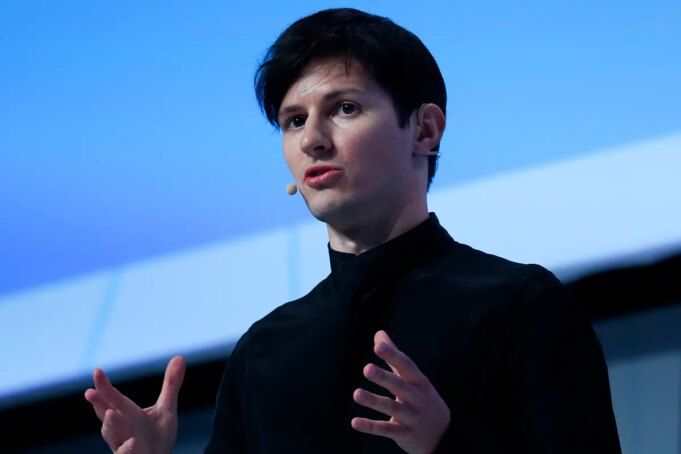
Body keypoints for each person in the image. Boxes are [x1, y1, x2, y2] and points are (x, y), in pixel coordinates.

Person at [84, 8, 622, 453]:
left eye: (344, 108)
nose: (312, 140)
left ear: (425, 130)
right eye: (294, 121)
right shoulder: (265, 352)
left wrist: (447, 441)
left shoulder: (520, 305)